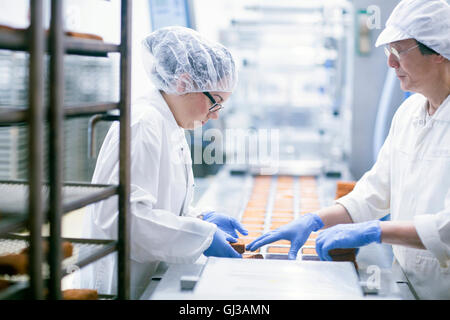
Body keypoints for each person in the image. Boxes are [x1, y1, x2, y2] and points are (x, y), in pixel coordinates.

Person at [247, 0, 450, 299]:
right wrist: (315, 220)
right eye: (388, 52)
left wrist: (376, 232)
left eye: (399, 51)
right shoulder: (409, 114)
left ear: (439, 52)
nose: (390, 63)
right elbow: (375, 192)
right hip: (407, 282)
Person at [80, 26, 247, 299]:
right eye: (215, 102)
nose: (215, 116)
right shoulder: (144, 124)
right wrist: (201, 236)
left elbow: (160, 204)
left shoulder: (170, 124)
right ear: (183, 84)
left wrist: (199, 218)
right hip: (121, 284)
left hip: (145, 277)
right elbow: (124, 219)